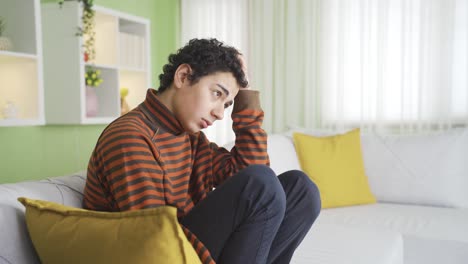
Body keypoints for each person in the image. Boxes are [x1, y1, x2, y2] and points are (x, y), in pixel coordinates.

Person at [82, 38, 321, 264]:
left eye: (227, 105)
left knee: (301, 189)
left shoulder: (190, 138)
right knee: (261, 183)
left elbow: (251, 172)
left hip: (184, 246)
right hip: (162, 252)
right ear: (183, 76)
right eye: (216, 94)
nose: (219, 113)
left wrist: (246, 93)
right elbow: (154, 243)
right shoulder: (130, 137)